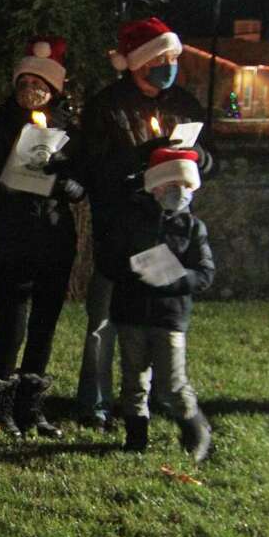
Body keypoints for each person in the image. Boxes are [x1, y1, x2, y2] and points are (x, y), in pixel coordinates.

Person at [78, 17, 213, 431]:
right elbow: (91, 167)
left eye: (174, 57)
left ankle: (150, 401)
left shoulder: (184, 104)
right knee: (105, 320)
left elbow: (210, 156)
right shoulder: (106, 106)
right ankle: (95, 405)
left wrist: (199, 158)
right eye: (162, 58)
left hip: (168, 231)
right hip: (120, 227)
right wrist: (141, 158)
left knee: (158, 319)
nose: (170, 65)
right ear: (139, 63)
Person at [0, 38, 86, 438]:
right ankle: (2, 404)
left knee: (44, 323)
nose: (31, 92)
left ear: (53, 90)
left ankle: (32, 407)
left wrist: (69, 181)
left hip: (53, 234)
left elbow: (82, 176)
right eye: (24, 84)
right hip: (12, 232)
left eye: (39, 85)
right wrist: (8, 179)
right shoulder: (1, 124)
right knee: (13, 322)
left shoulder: (68, 129)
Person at [96, 148, 214, 461]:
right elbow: (108, 261)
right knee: (134, 379)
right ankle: (136, 437)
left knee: (172, 382)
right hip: (132, 310)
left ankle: (195, 429)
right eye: (172, 184)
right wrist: (134, 270)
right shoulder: (129, 220)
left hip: (170, 315)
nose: (180, 192)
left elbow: (204, 273)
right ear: (155, 186)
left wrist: (174, 280)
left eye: (186, 186)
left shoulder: (192, 228)